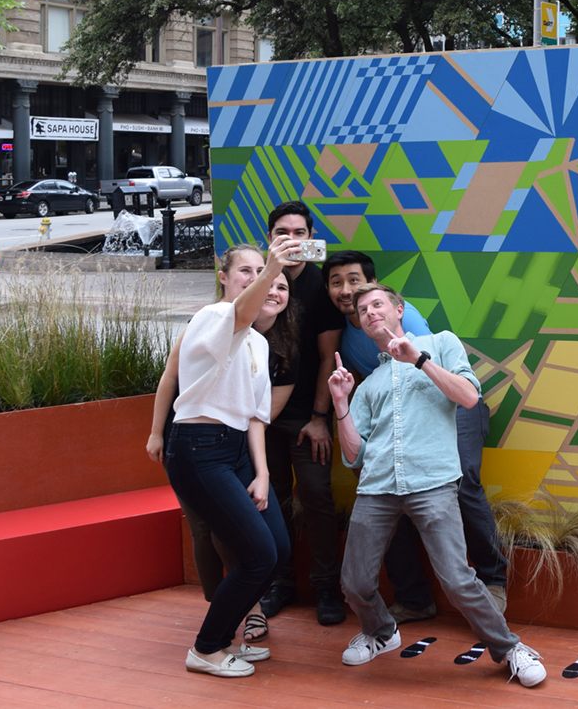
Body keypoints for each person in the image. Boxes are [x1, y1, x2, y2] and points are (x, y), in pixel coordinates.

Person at [329, 283, 546, 688]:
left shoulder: (441, 343)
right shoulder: (370, 382)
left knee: (458, 579)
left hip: (432, 482)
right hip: (377, 488)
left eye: (378, 304)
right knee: (354, 583)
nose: (370, 312)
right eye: (362, 310)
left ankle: (509, 647)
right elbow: (353, 455)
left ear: (399, 309)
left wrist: (419, 360)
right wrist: (342, 401)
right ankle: (382, 633)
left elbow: (468, 397)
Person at [323, 250, 509, 624]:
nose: (347, 290)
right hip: (399, 417)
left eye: (355, 280)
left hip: (444, 401)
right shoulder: (345, 337)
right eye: (336, 282)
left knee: (464, 484)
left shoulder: (409, 324)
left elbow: (439, 381)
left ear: (393, 306)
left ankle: (493, 582)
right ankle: (413, 598)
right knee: (389, 495)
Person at [142, 239, 299, 677]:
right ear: (224, 279)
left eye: (265, 274)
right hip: (198, 448)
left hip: (235, 452)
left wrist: (263, 473)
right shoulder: (214, 317)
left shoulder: (259, 344)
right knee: (256, 555)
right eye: (245, 272)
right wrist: (270, 268)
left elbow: (254, 416)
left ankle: (226, 636)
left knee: (277, 550)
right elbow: (240, 313)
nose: (259, 279)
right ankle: (207, 649)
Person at [256, 201, 348, 626]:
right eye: (282, 232)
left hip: (305, 417)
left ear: (311, 237)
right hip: (258, 416)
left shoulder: (319, 287)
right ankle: (279, 583)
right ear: (269, 237)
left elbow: (329, 357)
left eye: (299, 232)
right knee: (268, 501)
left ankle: (327, 588)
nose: (291, 239)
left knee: (316, 499)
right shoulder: (258, 279)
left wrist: (317, 417)